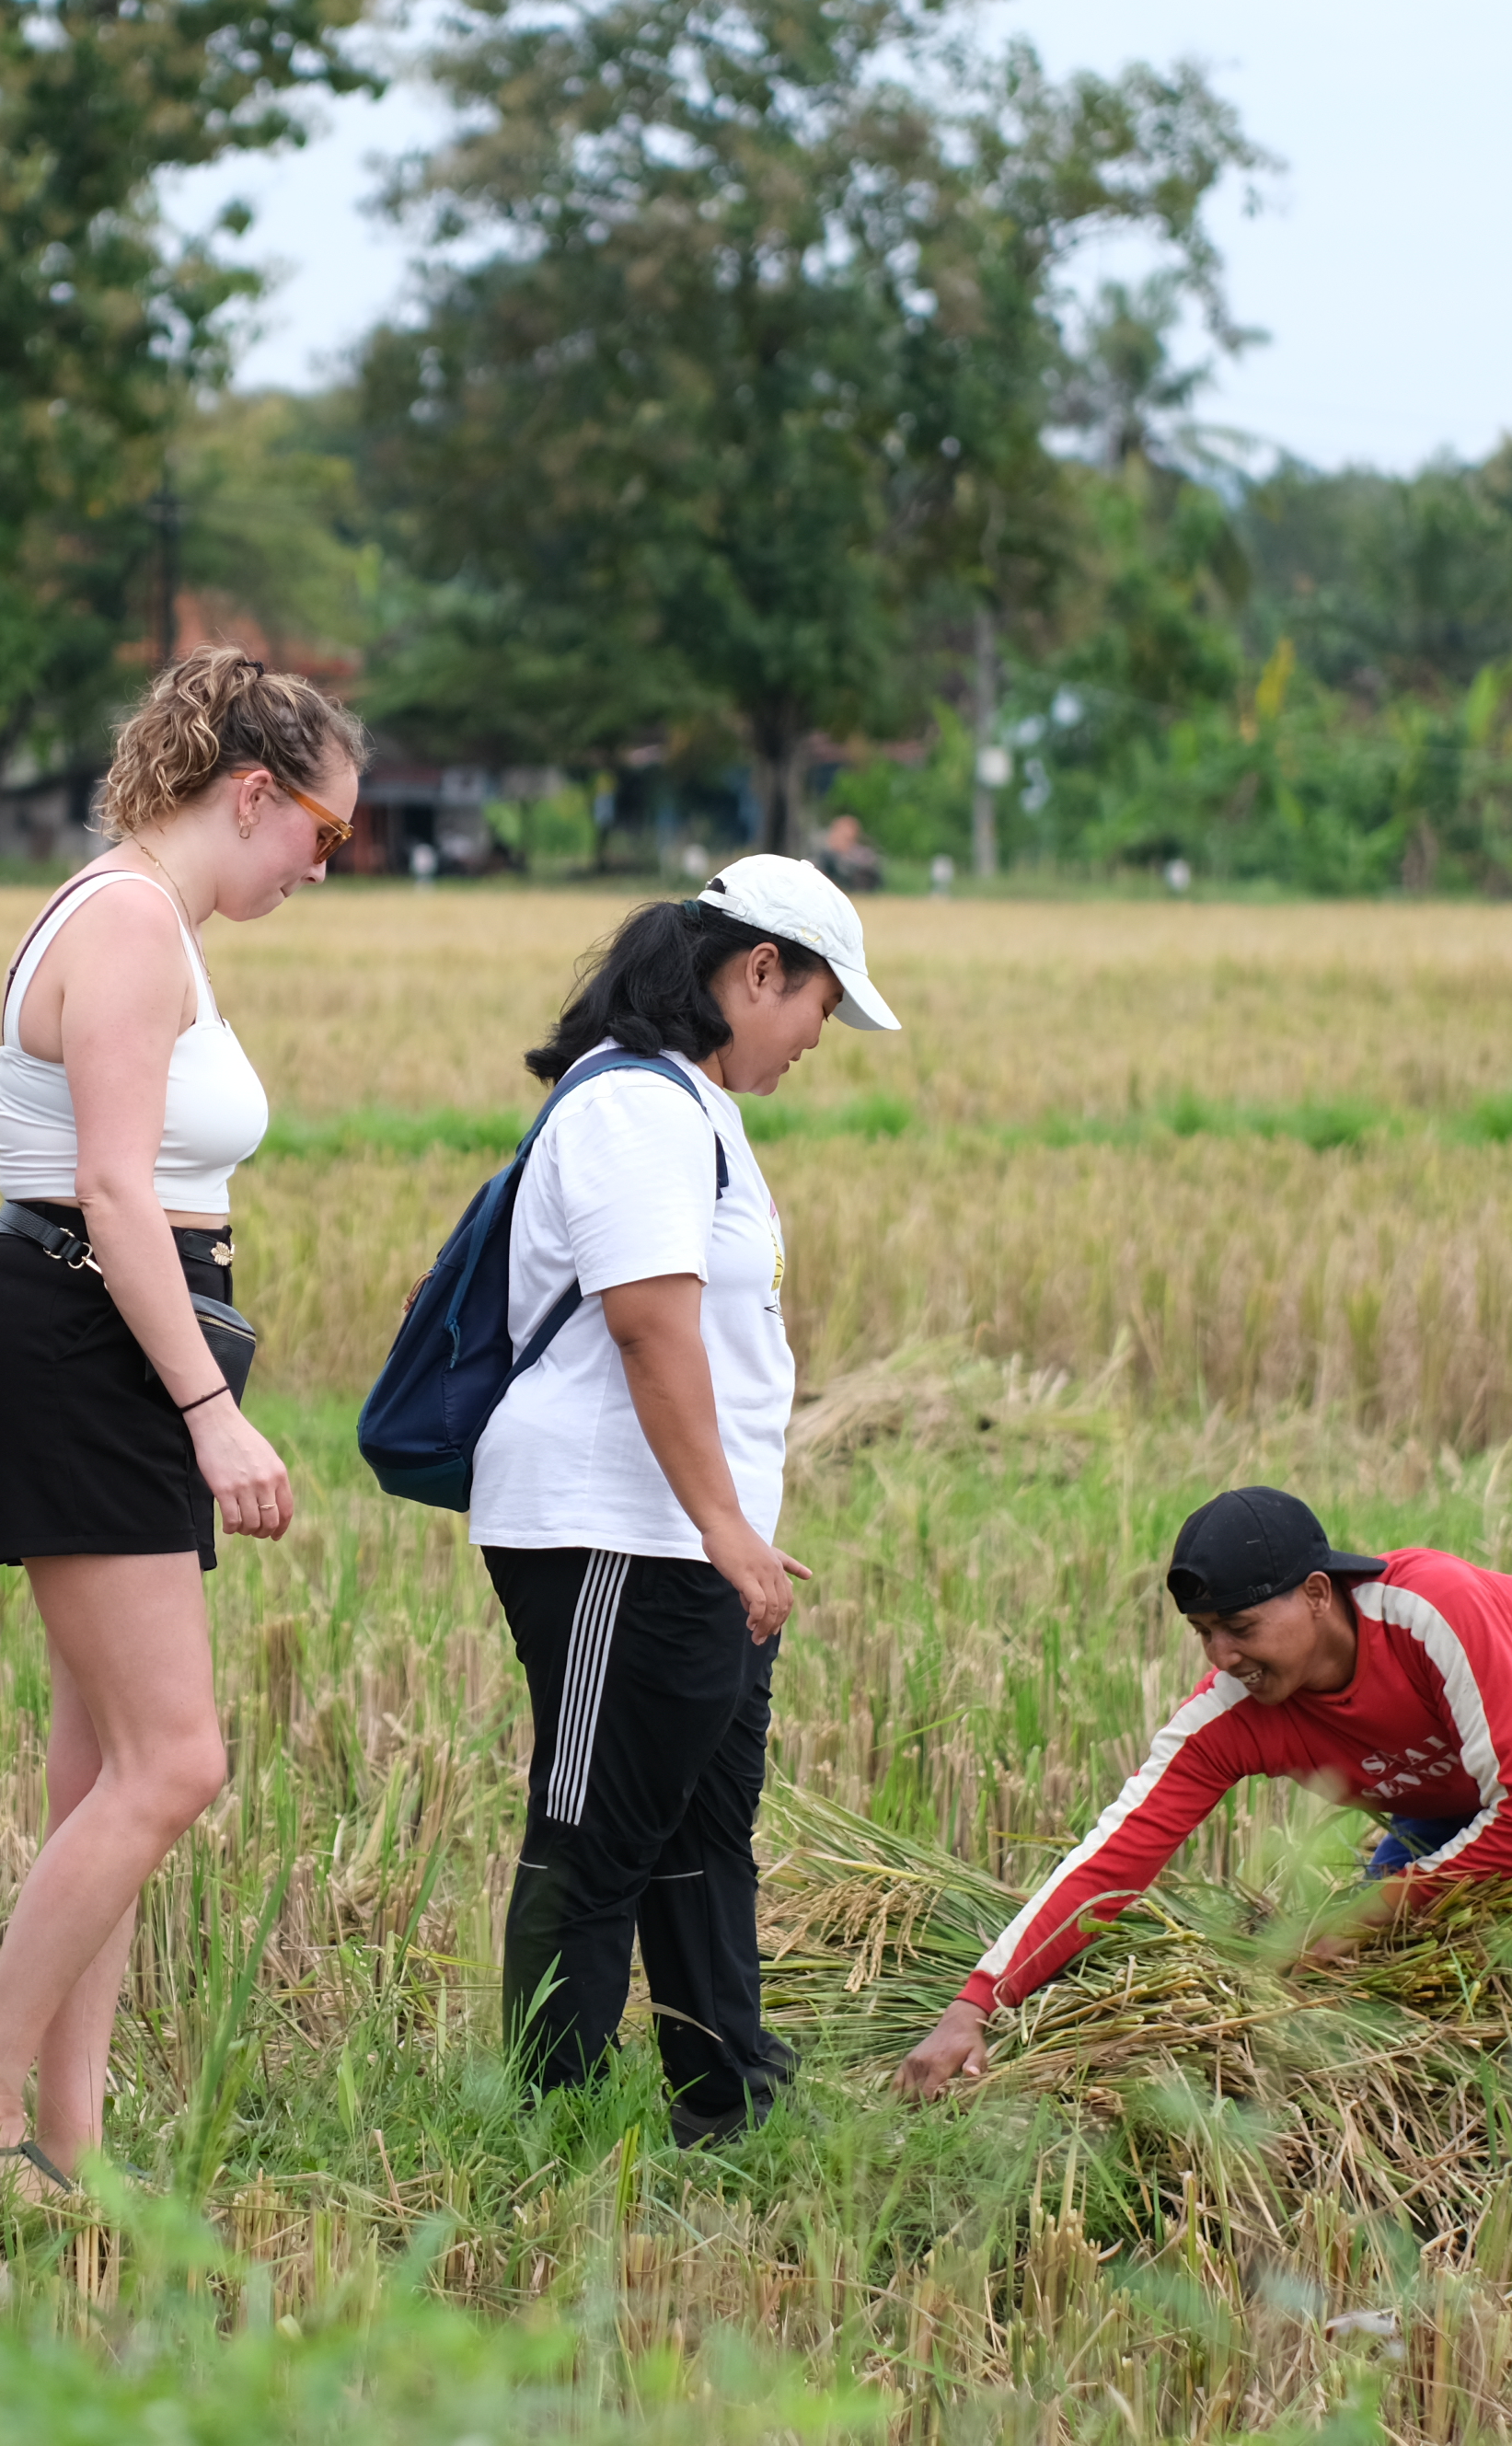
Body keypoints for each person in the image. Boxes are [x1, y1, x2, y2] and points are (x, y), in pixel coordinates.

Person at [0, 653, 363, 2190]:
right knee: (173, 1761)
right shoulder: (121, 921)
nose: (324, 863)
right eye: (323, 832)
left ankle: (74, 2141)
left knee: (102, 1762)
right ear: (252, 791)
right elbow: (113, 1188)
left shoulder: (147, 916)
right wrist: (212, 1414)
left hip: (99, 1335)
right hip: (81, 1342)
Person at [473, 857, 899, 2145]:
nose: (819, 1041)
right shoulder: (637, 1109)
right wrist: (725, 1532)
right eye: (822, 1007)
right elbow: (651, 1328)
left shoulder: (692, 1108)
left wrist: (733, 1538)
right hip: (615, 1532)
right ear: (757, 971)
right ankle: (545, 2127)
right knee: (595, 1827)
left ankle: (731, 2101)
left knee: (706, 1828)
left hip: (692, 1542)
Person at [895, 1487, 1512, 2099]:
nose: (1223, 1655)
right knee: (1370, 1972)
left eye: (1241, 1629)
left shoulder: (1426, 1612)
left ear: (1318, 1595)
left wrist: (1367, 1910)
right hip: (1452, 1780)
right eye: (1204, 1634)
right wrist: (975, 2006)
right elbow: (1113, 1858)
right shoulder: (1228, 1716)